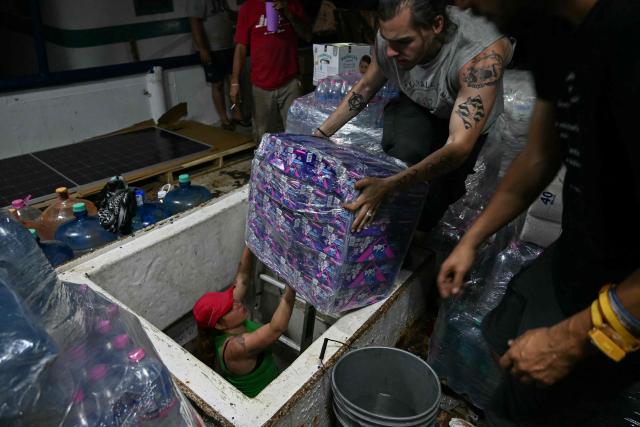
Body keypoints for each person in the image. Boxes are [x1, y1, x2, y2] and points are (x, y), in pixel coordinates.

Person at [437, 0, 640, 425]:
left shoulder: (628, 34)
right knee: (502, 335)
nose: (462, 4)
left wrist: (568, 340)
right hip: (578, 256)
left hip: (627, 293)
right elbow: (538, 156)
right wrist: (473, 239)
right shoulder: (556, 33)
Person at [314, 0, 513, 234]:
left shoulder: (480, 58)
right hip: (419, 102)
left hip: (464, 119)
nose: (390, 52)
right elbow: (367, 85)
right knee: (403, 157)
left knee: (437, 197)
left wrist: (390, 186)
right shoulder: (392, 36)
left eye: (403, 42)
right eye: (388, 41)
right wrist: (320, 134)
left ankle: (421, 240)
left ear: (436, 25)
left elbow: (458, 145)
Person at [193, 247, 296, 398]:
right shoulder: (234, 347)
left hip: (272, 381)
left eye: (231, 300)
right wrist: (292, 287)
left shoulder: (228, 319)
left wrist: (252, 240)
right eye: (229, 308)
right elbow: (276, 328)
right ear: (220, 325)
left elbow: (243, 278)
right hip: (264, 402)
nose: (237, 304)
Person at [230, 0, 312, 142]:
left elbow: (307, 35)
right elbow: (241, 46)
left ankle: (294, 163)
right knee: (263, 135)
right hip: (261, 83)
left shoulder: (291, 4)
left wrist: (287, 11)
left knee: (297, 132)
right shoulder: (248, 7)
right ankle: (263, 163)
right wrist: (235, 82)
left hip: (290, 80)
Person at [187, 0, 249, 131]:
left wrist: (244, 13)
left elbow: (227, 13)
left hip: (228, 46)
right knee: (218, 84)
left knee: (234, 81)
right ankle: (224, 119)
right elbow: (194, 22)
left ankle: (237, 115)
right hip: (212, 49)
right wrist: (203, 48)